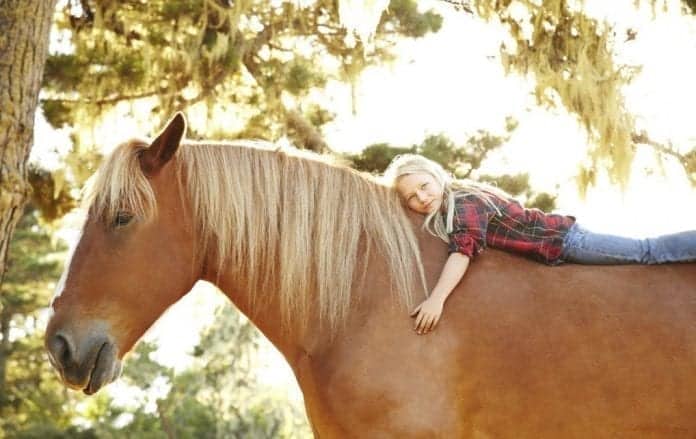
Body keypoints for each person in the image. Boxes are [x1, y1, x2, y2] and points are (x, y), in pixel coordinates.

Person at [383, 154, 696, 335]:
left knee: (646, 251)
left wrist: (436, 299)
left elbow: (462, 251)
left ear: (437, 177)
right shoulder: (449, 210)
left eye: (424, 186)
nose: (422, 198)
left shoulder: (463, 202)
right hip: (558, 249)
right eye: (412, 197)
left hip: (567, 242)